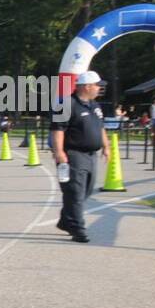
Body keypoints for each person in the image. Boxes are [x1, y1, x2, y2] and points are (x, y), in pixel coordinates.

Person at [54, 71, 110, 243]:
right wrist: (59, 151)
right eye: (97, 85)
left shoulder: (95, 106)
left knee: (85, 191)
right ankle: (78, 229)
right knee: (75, 192)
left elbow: (100, 128)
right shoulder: (66, 104)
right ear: (86, 86)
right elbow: (57, 129)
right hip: (73, 154)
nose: (99, 88)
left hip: (91, 155)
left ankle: (66, 220)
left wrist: (106, 146)